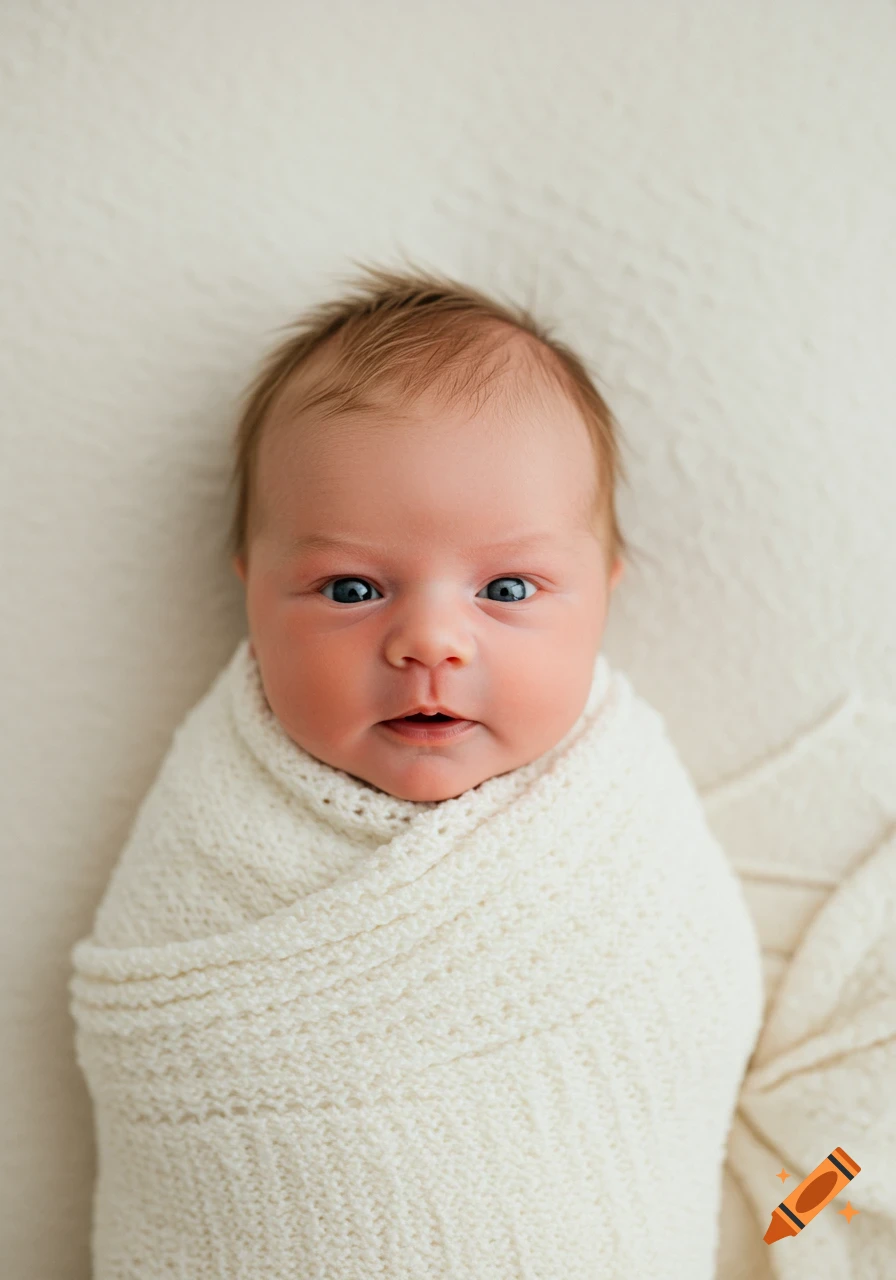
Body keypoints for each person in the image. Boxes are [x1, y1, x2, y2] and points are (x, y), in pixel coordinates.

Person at [69, 260, 764, 1278]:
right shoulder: (217, 833)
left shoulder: (619, 828)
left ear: (602, 594)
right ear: (251, 591)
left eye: (507, 586)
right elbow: (175, 1068)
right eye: (350, 586)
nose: (430, 639)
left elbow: (680, 1011)